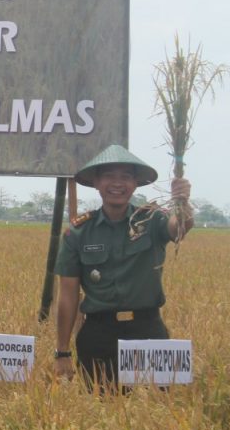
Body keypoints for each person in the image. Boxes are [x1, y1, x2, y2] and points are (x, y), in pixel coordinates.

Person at [54, 144, 193, 387]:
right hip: (98, 335)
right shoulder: (78, 232)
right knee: (99, 406)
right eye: (109, 176)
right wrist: (62, 351)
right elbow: (68, 295)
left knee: (158, 407)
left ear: (135, 183)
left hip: (148, 331)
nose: (117, 183)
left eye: (126, 176)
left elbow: (179, 228)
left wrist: (182, 202)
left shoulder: (152, 220)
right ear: (96, 182)